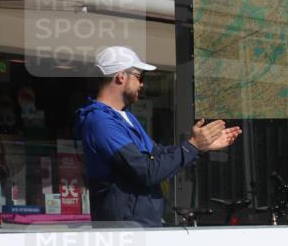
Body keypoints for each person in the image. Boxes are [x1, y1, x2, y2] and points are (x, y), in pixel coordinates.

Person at [76, 46, 241, 227]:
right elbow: (146, 171)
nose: (142, 84)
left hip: (143, 225)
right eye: (139, 77)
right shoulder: (100, 121)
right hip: (124, 231)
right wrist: (193, 146)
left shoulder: (125, 116)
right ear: (121, 77)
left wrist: (200, 146)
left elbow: (157, 154)